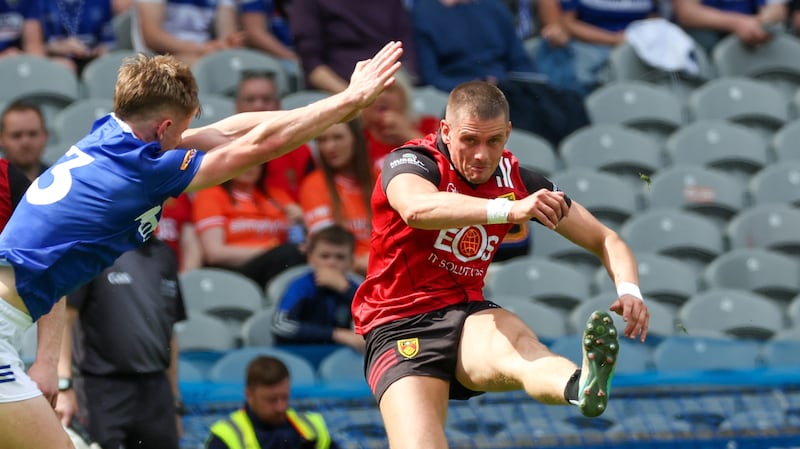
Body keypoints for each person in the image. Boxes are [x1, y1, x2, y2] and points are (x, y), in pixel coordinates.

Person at [0, 40, 403, 449]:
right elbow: (256, 147)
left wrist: (341, 106)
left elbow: (226, 130)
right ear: (163, 129)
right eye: (183, 127)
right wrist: (347, 101)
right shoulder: (143, 170)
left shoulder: (110, 134)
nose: (187, 137)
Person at [352, 81, 650, 449]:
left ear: (508, 133)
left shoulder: (518, 181)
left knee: (524, 354)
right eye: (469, 141)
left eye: (493, 142)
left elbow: (606, 239)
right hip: (397, 326)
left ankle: (579, 384)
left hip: (465, 316)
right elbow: (417, 209)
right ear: (445, 130)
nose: (481, 155)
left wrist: (630, 290)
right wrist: (508, 209)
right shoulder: (413, 162)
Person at [53, 237, 186, 449]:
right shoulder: (94, 248)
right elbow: (64, 319)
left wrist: (175, 403)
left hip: (156, 390)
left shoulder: (165, 254)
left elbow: (170, 335)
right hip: (101, 388)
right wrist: (64, 385)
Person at [411, 0, 589, 147]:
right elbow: (431, 76)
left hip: (507, 90)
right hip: (463, 94)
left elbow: (520, 61)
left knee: (565, 108)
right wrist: (476, 86)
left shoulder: (493, 7)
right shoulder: (423, 12)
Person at [192, 163, 306, 287]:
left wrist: (302, 218)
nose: (250, 166)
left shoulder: (277, 195)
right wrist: (269, 251)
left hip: (278, 264)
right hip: (233, 271)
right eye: (244, 161)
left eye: (256, 162)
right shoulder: (211, 194)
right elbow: (214, 253)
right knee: (289, 254)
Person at [205, 355, 341, 449]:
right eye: (271, 400)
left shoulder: (313, 428)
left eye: (285, 397)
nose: (281, 407)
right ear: (249, 395)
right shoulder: (225, 437)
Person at [289, 0, 419, 93]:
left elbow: (405, 53)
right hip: (337, 92)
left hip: (388, 89)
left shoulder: (391, 3)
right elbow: (312, 66)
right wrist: (351, 97)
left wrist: (388, 93)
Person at [298, 119, 374, 275]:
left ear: (357, 139)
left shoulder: (381, 179)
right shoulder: (314, 184)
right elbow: (327, 247)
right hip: (346, 272)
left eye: (338, 137)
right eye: (322, 140)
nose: (329, 147)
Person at [271, 224, 364, 351]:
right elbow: (280, 325)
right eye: (324, 256)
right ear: (310, 258)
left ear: (351, 262)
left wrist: (347, 290)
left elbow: (375, 321)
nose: (331, 263)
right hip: (300, 355)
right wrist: (335, 334)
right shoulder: (301, 285)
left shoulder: (356, 288)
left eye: (340, 257)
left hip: (341, 358)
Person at [234, 70, 315, 203]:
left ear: (278, 105)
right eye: (250, 99)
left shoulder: (299, 149)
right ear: (237, 107)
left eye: (266, 99)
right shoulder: (221, 150)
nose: (258, 106)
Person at [133, 0, 245, 66]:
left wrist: (227, 44)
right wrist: (202, 49)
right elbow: (152, 37)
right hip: (157, 58)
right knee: (210, 68)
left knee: (238, 65)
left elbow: (227, 36)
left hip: (206, 54)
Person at [37, 0, 119, 74]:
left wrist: (100, 54)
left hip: (91, 62)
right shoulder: (39, 2)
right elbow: (32, 48)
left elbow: (107, 44)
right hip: (52, 62)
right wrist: (57, 49)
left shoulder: (102, 2)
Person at [674, 0, 788, 53]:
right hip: (709, 36)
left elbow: (777, 9)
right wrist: (738, 23)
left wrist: (759, 22)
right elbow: (687, 13)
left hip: (752, 30)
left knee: (778, 38)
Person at [0, 100, 50, 182]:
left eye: (32, 134)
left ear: (45, 136)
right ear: (1, 139)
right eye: (16, 135)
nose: (25, 143)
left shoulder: (62, 181)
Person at [156, 192, 204, 273]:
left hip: (172, 269)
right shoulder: (131, 190)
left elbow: (190, 245)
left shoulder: (181, 196)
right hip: (137, 266)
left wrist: (184, 278)